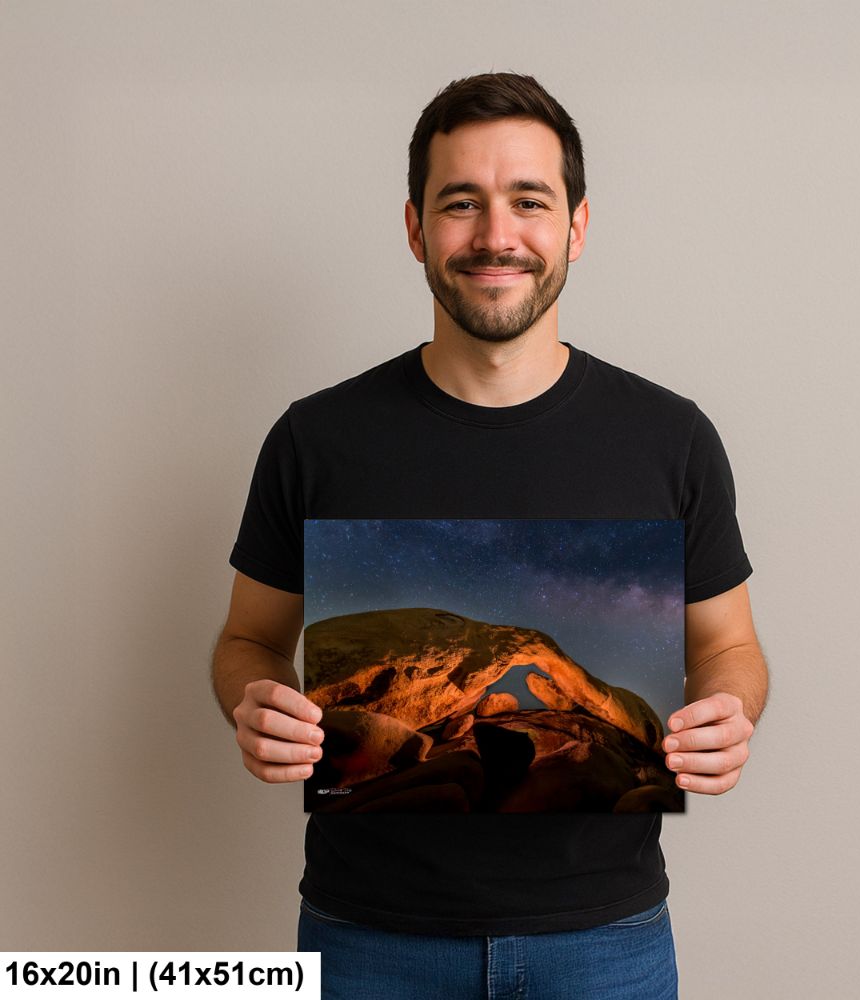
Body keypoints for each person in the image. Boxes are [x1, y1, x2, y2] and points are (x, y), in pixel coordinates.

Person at [211, 72, 768, 999]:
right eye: (461, 202)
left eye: (529, 202)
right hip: (366, 942)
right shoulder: (317, 438)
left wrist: (729, 714)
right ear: (415, 228)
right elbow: (247, 639)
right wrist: (256, 701)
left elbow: (732, 648)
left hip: (606, 941)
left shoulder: (673, 439)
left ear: (577, 228)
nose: (495, 235)